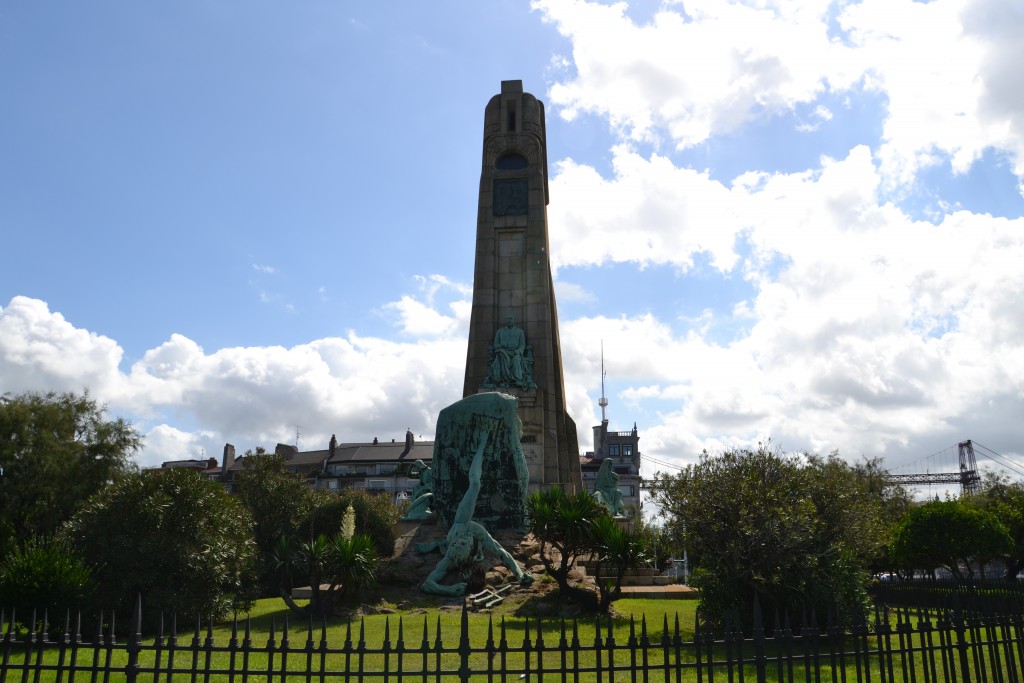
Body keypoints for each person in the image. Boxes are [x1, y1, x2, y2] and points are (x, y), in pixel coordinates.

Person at [420, 425, 533, 596]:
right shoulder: (452, 558)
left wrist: (519, 575)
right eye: (460, 544)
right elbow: (428, 584)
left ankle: (482, 443)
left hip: (460, 521)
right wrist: (520, 575)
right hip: (460, 534)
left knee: (475, 484)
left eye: (459, 543)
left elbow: (501, 552)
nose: (459, 542)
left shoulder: (467, 529)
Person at [486, 314, 528, 388]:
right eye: (508, 319)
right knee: (501, 357)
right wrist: (498, 347)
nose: (509, 320)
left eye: (511, 318)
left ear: (514, 320)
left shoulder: (520, 332)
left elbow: (522, 345)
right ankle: (503, 380)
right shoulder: (500, 331)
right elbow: (496, 343)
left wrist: (518, 351)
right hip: (503, 351)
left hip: (515, 352)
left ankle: (518, 380)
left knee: (516, 360)